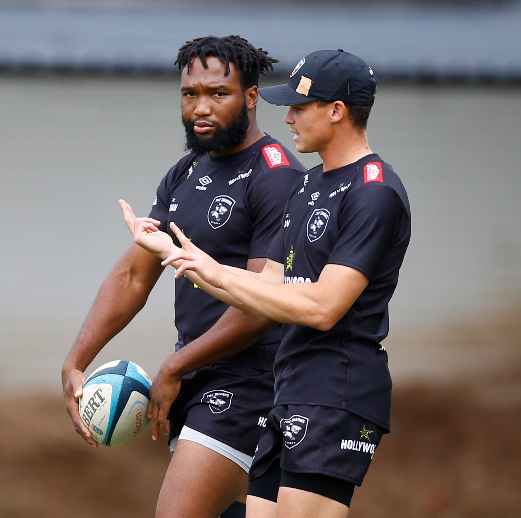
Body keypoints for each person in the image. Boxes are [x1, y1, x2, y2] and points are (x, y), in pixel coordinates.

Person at [120, 49, 411, 518]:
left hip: (335, 391)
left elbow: (323, 307)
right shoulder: (310, 185)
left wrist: (209, 271)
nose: (288, 118)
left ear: (336, 111)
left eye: (300, 107)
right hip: (288, 388)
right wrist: (187, 260)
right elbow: (267, 286)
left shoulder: (374, 191)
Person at [62, 35, 306, 518]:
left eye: (218, 93)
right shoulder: (184, 172)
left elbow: (261, 304)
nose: (201, 107)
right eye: (190, 93)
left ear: (251, 97)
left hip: (253, 379)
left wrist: (174, 367)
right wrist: (75, 362)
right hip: (199, 372)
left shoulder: (275, 176)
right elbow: (135, 273)